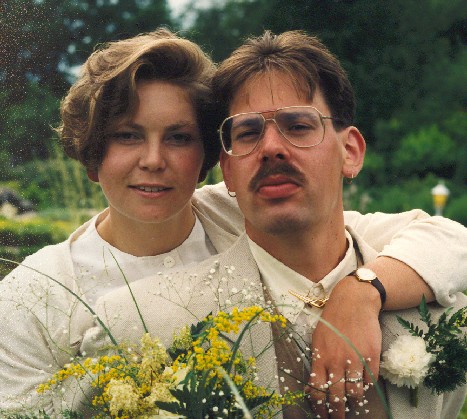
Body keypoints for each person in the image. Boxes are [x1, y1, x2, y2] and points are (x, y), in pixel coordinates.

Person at [1, 27, 466, 416]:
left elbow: (446, 237)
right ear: (91, 156)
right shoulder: (37, 295)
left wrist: (361, 292)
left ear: (210, 159)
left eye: (179, 137)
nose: (154, 160)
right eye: (127, 136)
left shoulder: (235, 208)